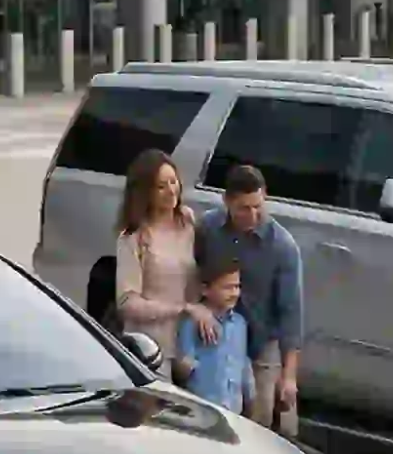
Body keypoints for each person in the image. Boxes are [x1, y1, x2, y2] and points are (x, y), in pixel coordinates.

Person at [195, 164, 305, 430]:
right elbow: (193, 275)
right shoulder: (208, 228)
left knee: (261, 415)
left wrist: (289, 377)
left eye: (258, 205)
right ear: (227, 202)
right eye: (245, 208)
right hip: (217, 335)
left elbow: (291, 313)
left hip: (260, 342)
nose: (254, 215)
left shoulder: (282, 246)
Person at [112, 148, 201, 363]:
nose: (171, 191)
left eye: (173, 182)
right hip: (152, 346)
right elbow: (127, 303)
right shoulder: (133, 237)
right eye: (161, 187)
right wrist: (179, 309)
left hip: (190, 343)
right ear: (145, 193)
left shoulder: (187, 220)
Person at [175, 253, 253, 415]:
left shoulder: (239, 323)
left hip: (233, 406)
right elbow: (184, 366)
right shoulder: (191, 322)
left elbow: (242, 362)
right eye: (227, 287)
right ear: (205, 290)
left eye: (237, 286)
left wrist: (250, 393)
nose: (235, 293)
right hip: (203, 406)